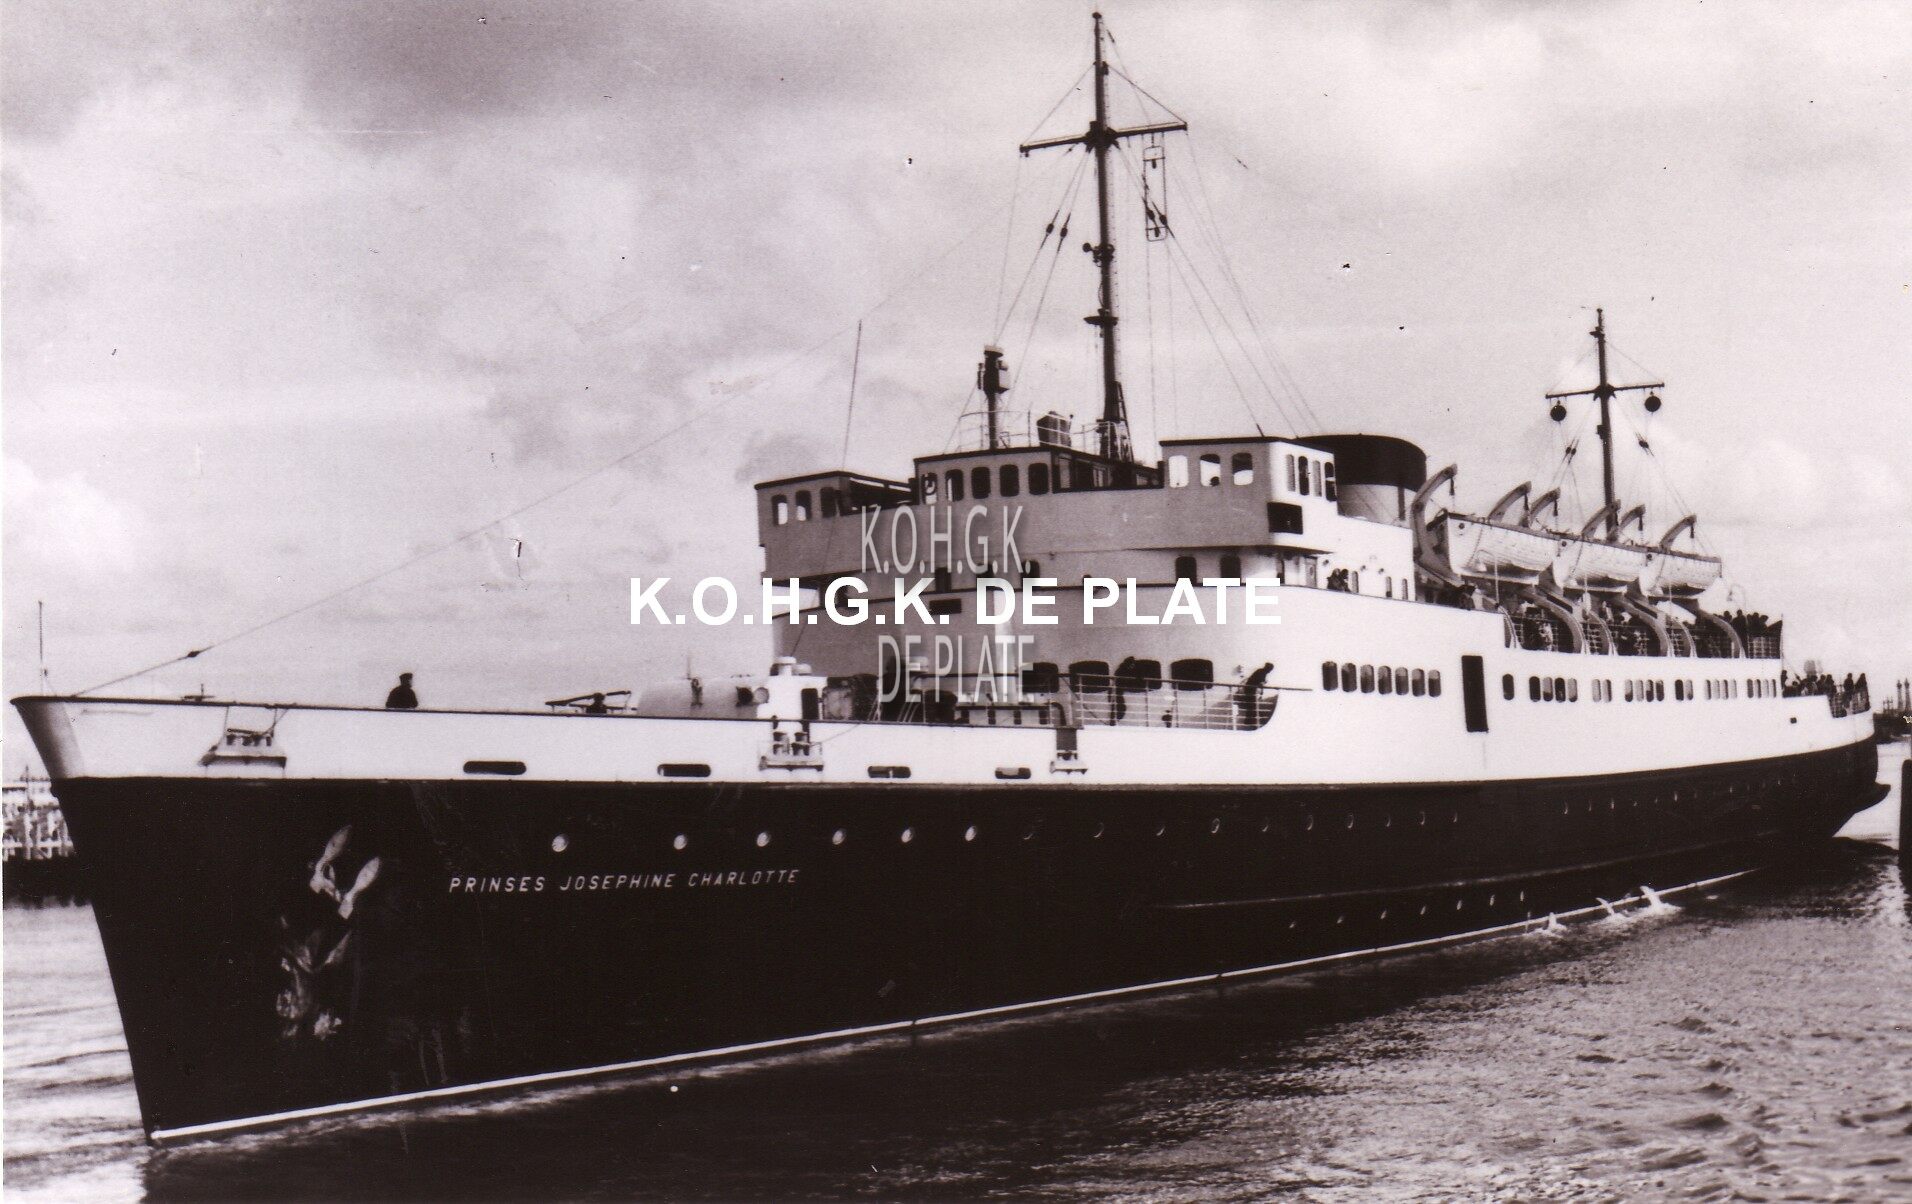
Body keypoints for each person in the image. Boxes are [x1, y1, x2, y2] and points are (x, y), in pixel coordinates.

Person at [1238, 662, 1273, 729]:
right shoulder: (1262, 672)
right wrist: (1263, 687)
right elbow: (1260, 683)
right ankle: (1249, 723)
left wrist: (1261, 690)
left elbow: (1260, 682)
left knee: (1251, 706)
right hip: (1250, 689)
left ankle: (1249, 722)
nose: (1270, 671)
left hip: (1250, 689)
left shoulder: (1261, 671)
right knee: (1252, 706)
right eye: (1270, 670)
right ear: (1268, 668)